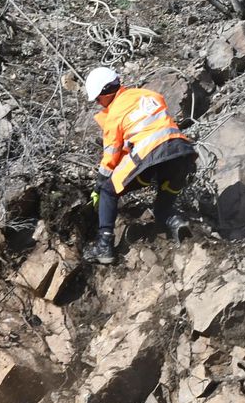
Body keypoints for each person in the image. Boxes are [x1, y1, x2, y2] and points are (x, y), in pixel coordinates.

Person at [82, 66, 196, 265]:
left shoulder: (115, 113)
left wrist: (99, 185)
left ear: (106, 92)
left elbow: (111, 156)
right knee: (162, 207)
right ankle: (176, 223)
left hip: (150, 154)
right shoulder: (150, 95)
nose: (99, 104)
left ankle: (104, 246)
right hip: (181, 151)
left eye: (98, 99)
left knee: (109, 190)